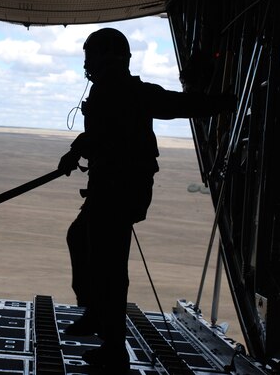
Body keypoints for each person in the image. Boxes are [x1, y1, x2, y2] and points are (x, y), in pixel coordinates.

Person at [57, 28, 235, 372]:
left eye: (90, 56)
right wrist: (76, 152)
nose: (87, 64)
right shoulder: (113, 91)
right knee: (81, 239)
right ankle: (96, 314)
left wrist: (226, 102)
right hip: (108, 189)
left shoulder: (129, 93)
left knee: (109, 266)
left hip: (119, 191)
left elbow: (176, 105)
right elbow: (98, 134)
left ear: (106, 58)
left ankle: (113, 347)